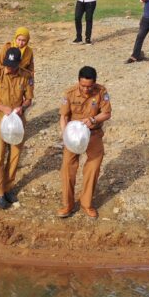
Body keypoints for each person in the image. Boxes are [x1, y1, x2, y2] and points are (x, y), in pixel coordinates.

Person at [59, 65, 112, 219]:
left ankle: (86, 203)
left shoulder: (101, 91)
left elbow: (107, 113)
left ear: (95, 83)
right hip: (73, 135)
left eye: (89, 86)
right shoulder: (69, 93)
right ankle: (67, 205)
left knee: (93, 168)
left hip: (93, 133)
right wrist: (65, 135)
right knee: (68, 168)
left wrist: (93, 119)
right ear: (78, 81)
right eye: (83, 86)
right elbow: (63, 116)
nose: (86, 89)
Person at [0, 48, 34, 209]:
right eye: (7, 65)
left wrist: (22, 107)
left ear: (19, 63)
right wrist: (1, 107)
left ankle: (8, 187)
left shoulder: (26, 76)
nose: (9, 68)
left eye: (13, 66)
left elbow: (29, 99)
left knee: (15, 155)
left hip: (17, 121)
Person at [0, 27, 34, 150]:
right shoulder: (7, 47)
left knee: (15, 113)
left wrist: (29, 82)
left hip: (19, 80)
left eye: (24, 40)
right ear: (15, 38)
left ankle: (11, 134)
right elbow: (0, 63)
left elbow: (31, 68)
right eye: (19, 39)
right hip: (3, 79)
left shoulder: (29, 52)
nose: (21, 43)